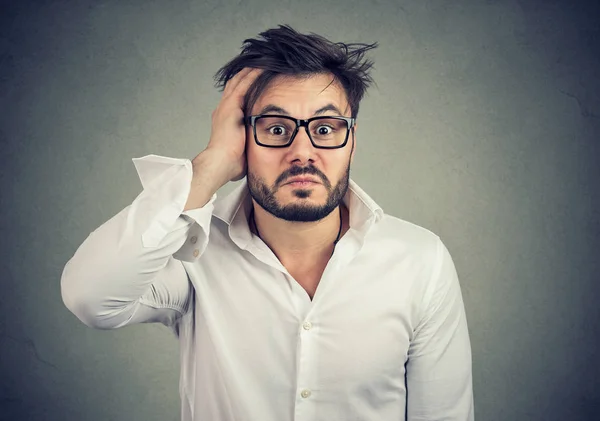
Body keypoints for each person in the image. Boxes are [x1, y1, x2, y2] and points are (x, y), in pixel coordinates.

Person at [61, 25, 474, 421]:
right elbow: (91, 297)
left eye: (326, 128)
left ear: (351, 139)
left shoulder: (421, 261)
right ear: (242, 138)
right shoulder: (192, 254)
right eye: (276, 128)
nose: (302, 152)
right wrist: (212, 163)